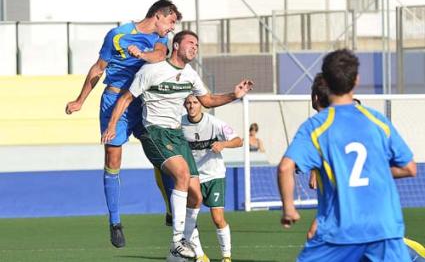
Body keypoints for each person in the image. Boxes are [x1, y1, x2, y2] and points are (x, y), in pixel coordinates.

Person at [101, 30, 253, 260]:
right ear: (176, 45)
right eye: (190, 43)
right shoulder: (151, 70)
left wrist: (235, 94)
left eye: (197, 45)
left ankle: (176, 254)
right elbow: (126, 98)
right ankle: (177, 241)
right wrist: (112, 125)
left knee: (196, 197)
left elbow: (208, 100)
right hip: (155, 132)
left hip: (176, 136)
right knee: (182, 175)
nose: (195, 47)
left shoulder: (190, 75)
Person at [277, 49, 416, 261]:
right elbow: (409, 168)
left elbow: (285, 167)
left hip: (340, 230)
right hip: (384, 228)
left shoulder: (316, 126)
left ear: (326, 81)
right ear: (356, 80)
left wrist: (289, 208)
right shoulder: (377, 121)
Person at [65, 0, 182, 248]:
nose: (171, 28)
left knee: (162, 157)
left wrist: (142, 54)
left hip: (144, 102)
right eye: (171, 22)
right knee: (113, 159)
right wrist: (80, 100)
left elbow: (159, 56)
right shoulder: (118, 35)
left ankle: (172, 208)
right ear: (159, 16)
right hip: (114, 98)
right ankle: (115, 221)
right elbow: (98, 68)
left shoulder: (160, 42)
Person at [182, 94, 242, 262]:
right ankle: (199, 255)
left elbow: (238, 140)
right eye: (188, 103)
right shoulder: (179, 125)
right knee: (191, 217)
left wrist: (223, 144)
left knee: (217, 218)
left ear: (201, 104)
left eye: (195, 102)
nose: (191, 106)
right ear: (184, 105)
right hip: (193, 177)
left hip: (215, 175)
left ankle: (226, 256)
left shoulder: (214, 123)